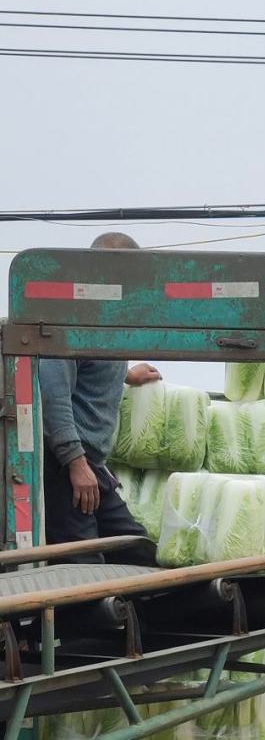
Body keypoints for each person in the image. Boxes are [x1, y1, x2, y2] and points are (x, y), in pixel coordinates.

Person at [39, 232, 162, 558]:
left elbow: (87, 371)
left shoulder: (103, 319)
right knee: (83, 563)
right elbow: (54, 399)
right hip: (66, 466)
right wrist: (76, 464)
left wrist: (126, 375)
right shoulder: (69, 319)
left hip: (91, 465)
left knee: (138, 550)